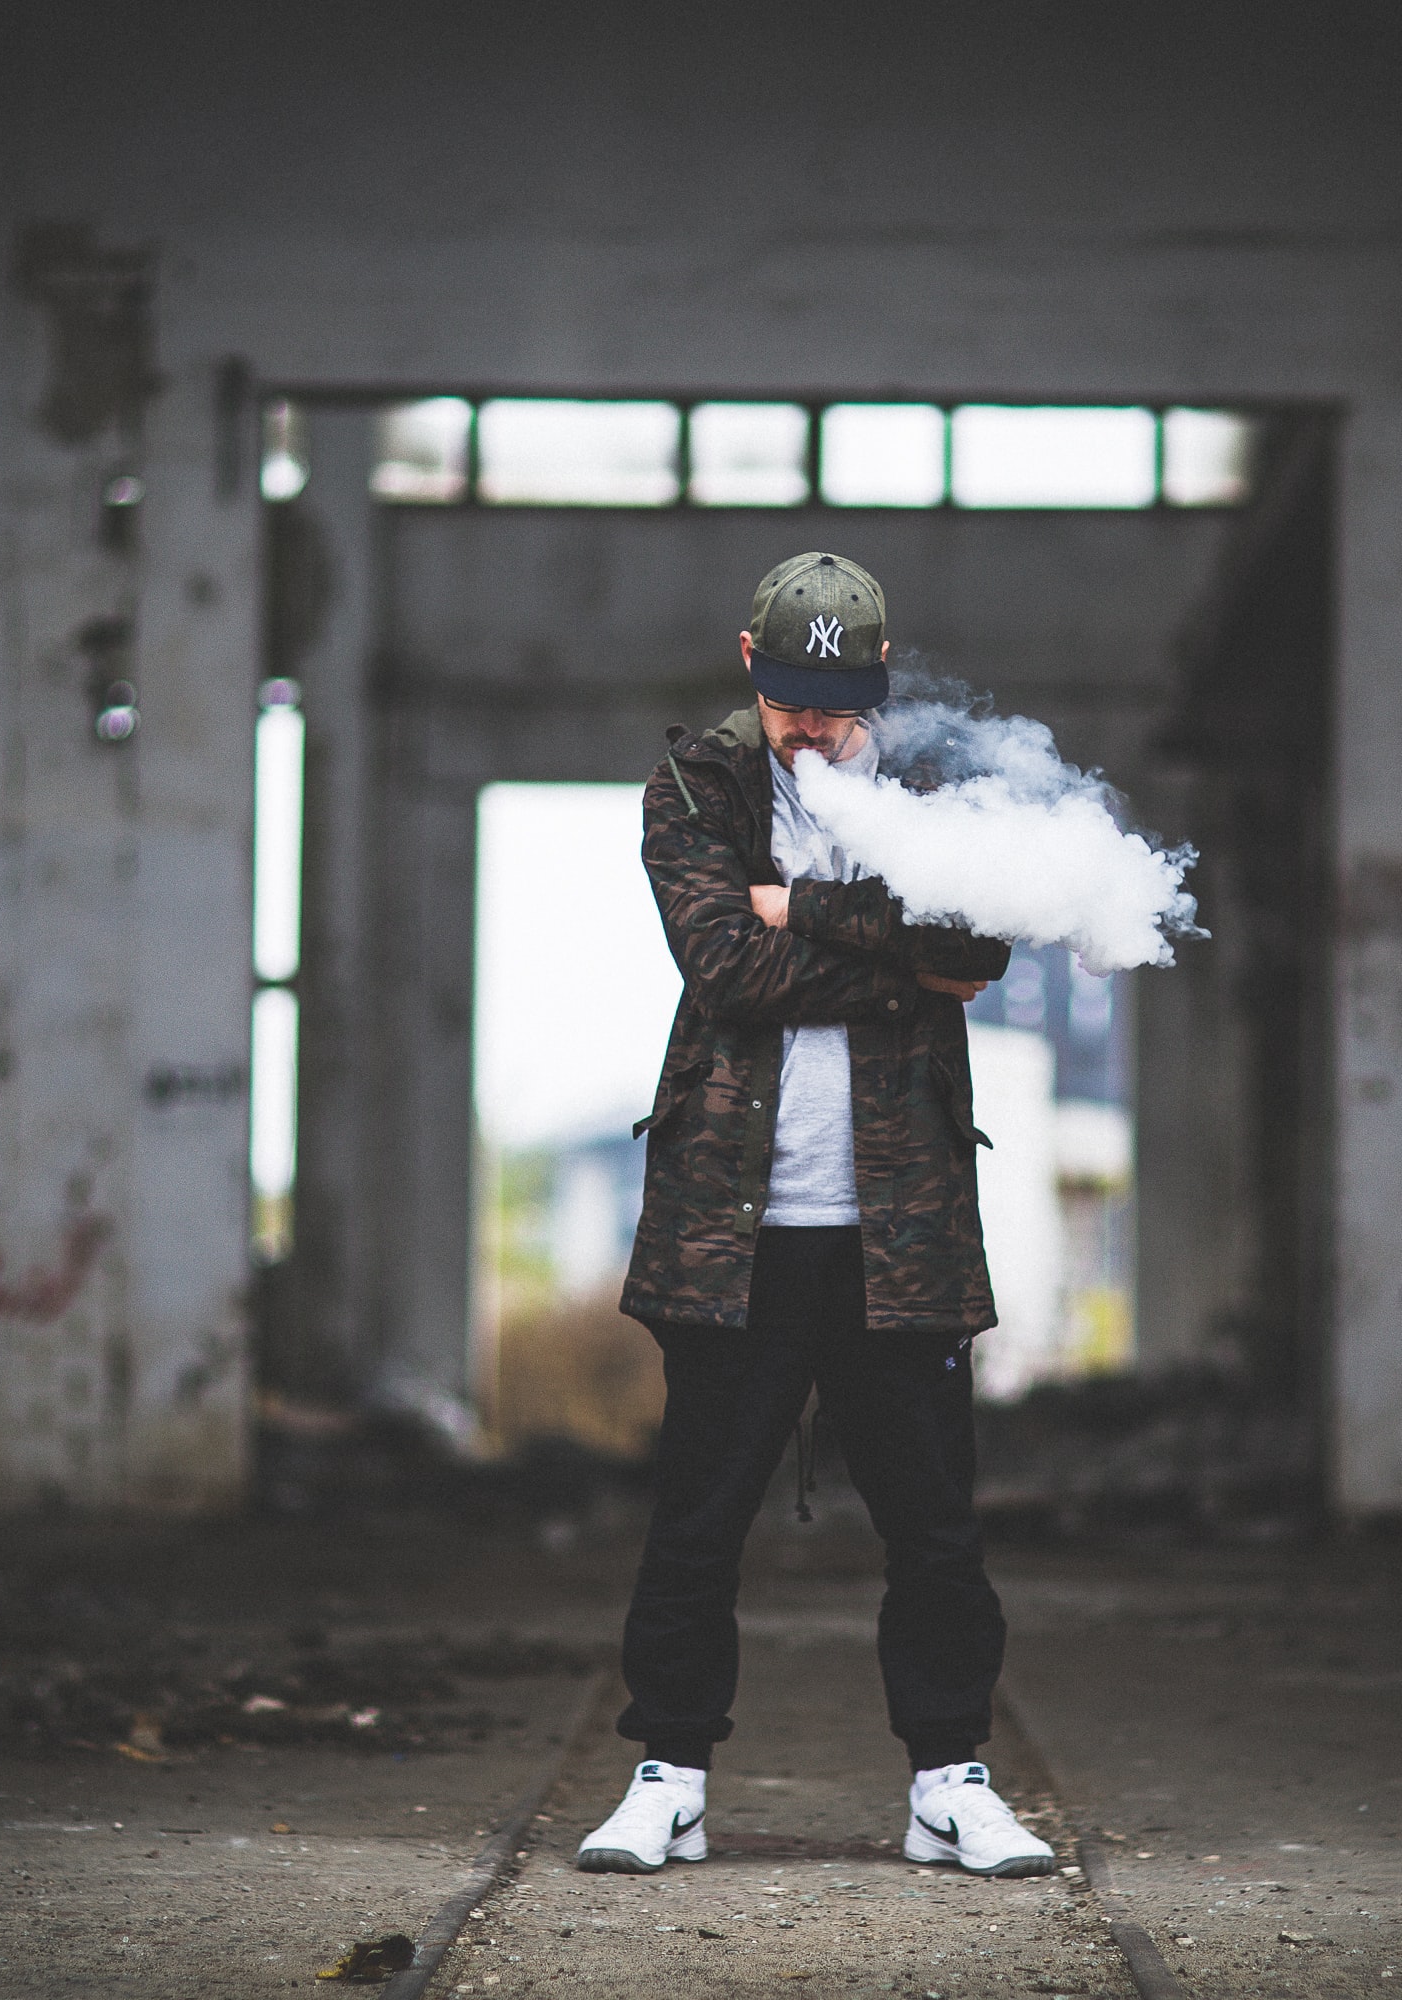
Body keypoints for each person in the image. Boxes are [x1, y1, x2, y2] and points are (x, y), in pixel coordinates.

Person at [576, 552, 1056, 1880]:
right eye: (790, 694)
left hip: (898, 1228)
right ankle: (666, 1777)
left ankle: (951, 1783)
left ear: (877, 683)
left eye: (836, 699)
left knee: (936, 1527)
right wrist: (898, 957)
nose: (812, 722)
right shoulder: (696, 786)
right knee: (698, 1519)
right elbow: (726, 966)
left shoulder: (934, 789)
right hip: (733, 1229)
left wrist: (815, 909)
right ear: (750, 664)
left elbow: (980, 950)